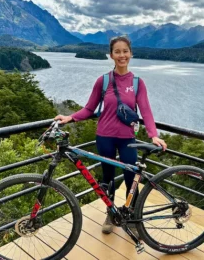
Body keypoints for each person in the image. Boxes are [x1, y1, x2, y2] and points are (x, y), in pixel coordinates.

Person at [54, 36, 167, 234]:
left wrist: (153, 135)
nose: (122, 55)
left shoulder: (138, 83)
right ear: (111, 55)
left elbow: (146, 111)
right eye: (117, 52)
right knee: (108, 177)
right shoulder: (103, 81)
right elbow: (89, 108)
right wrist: (69, 118)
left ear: (131, 54)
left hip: (127, 139)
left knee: (132, 177)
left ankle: (133, 214)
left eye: (125, 51)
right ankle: (111, 211)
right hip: (104, 136)